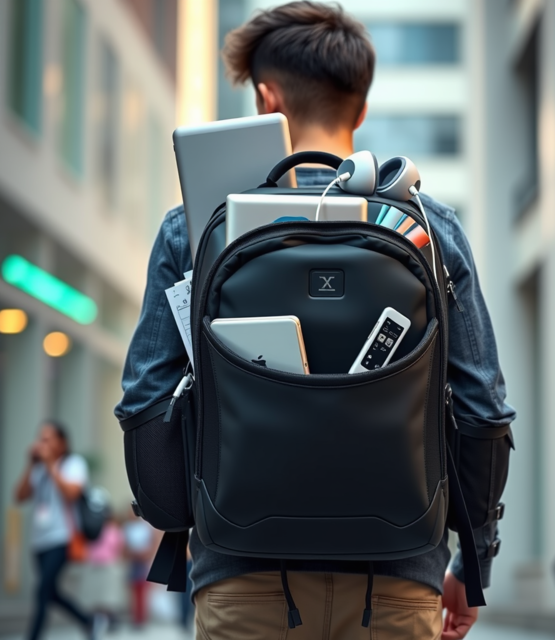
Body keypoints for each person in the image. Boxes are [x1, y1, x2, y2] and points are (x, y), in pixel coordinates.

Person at [115, 3, 515, 638]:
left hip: (242, 575)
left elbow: (146, 397)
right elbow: (482, 408)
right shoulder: (429, 228)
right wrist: (475, 561)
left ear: (267, 98)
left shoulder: (194, 226)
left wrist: (179, 519)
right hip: (397, 576)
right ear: (360, 108)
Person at [14, 421, 103, 640]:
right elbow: (20, 496)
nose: (42, 443)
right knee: (49, 591)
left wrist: (51, 465)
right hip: (39, 541)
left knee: (42, 591)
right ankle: (88, 621)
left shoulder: (74, 463)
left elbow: (71, 493)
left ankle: (33, 636)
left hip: (62, 538)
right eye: (40, 438)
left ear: (62, 442)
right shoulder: (38, 468)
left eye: (47, 438)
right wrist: (30, 464)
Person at [122, 511, 156, 628]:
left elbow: (151, 545)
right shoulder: (127, 527)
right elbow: (124, 547)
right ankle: (135, 617)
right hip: (132, 562)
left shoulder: (145, 527)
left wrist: (144, 555)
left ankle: (142, 618)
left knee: (143, 591)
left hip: (143, 562)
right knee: (133, 591)